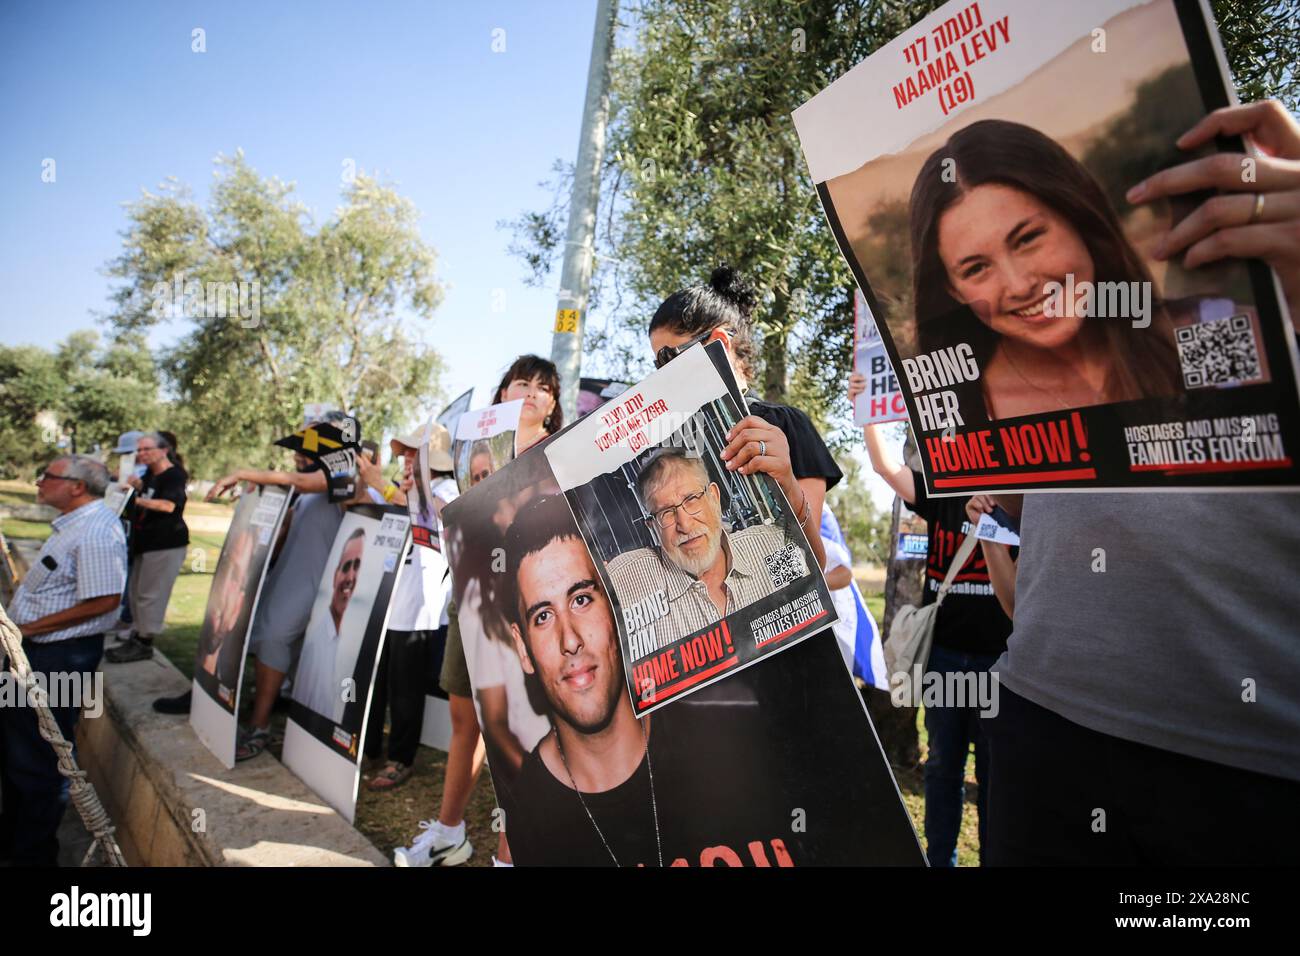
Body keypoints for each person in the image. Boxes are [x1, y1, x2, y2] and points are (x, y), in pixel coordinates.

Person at [985, 100, 1300, 865]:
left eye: (1033, 235)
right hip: (1040, 721)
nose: (1019, 281)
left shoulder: (1223, 306)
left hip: (1248, 758)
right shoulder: (1033, 367)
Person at [394, 354, 562, 867]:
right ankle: (449, 833)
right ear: (502, 395)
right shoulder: (472, 453)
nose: (531, 392)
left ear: (553, 404)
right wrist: (421, 497)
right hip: (467, 595)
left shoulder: (560, 452)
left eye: (543, 386)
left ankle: (509, 858)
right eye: (521, 383)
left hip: (525, 606)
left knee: (517, 731)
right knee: (464, 718)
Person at [909, 118, 1187, 420]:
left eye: (1027, 239)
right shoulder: (960, 415)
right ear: (953, 290)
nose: (1019, 286)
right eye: (976, 269)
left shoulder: (1202, 329)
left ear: (1079, 218)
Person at [843, 386, 1012, 865]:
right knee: (943, 767)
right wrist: (869, 410)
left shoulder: (1019, 498)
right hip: (945, 656)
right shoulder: (944, 493)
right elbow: (884, 468)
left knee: (995, 773)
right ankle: (941, 859)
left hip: (1001, 662)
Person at [647, 267, 840, 576]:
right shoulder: (670, 438)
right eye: (656, 364)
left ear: (719, 342)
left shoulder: (787, 425)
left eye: (669, 358)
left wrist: (786, 480)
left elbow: (810, 563)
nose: (663, 373)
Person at [1, 456, 126, 866]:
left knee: (40, 761)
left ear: (76, 486)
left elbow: (106, 601)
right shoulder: (75, 525)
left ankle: (31, 857)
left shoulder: (94, 531)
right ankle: (15, 842)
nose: (39, 482)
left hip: (57, 659)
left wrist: (31, 630)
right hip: (37, 654)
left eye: (48, 476)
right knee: (19, 752)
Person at [607, 447, 804, 644]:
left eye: (691, 499)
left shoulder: (770, 546)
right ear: (652, 527)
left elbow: (813, 582)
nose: (684, 524)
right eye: (666, 512)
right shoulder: (626, 581)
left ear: (714, 498)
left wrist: (788, 479)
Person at [357, 425, 457, 791]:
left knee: (405, 690)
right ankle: (367, 749)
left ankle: (401, 759)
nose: (406, 459)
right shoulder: (406, 490)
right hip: (388, 601)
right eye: (404, 453)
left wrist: (385, 486)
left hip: (420, 608)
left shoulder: (447, 489)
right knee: (378, 683)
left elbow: (438, 513)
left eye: (413, 453)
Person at [106, 432, 189, 664]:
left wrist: (134, 498)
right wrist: (138, 488)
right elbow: (151, 495)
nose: (141, 454)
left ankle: (145, 643)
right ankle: (137, 635)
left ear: (163, 450)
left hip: (166, 544)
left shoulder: (174, 475)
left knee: (150, 595)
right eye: (139, 450)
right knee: (136, 593)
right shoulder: (152, 475)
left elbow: (168, 505)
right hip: (146, 542)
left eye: (146, 449)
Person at [294, 528, 364, 722]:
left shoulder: (348, 640)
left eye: (357, 566)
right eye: (347, 566)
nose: (351, 576)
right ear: (335, 575)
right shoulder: (314, 646)